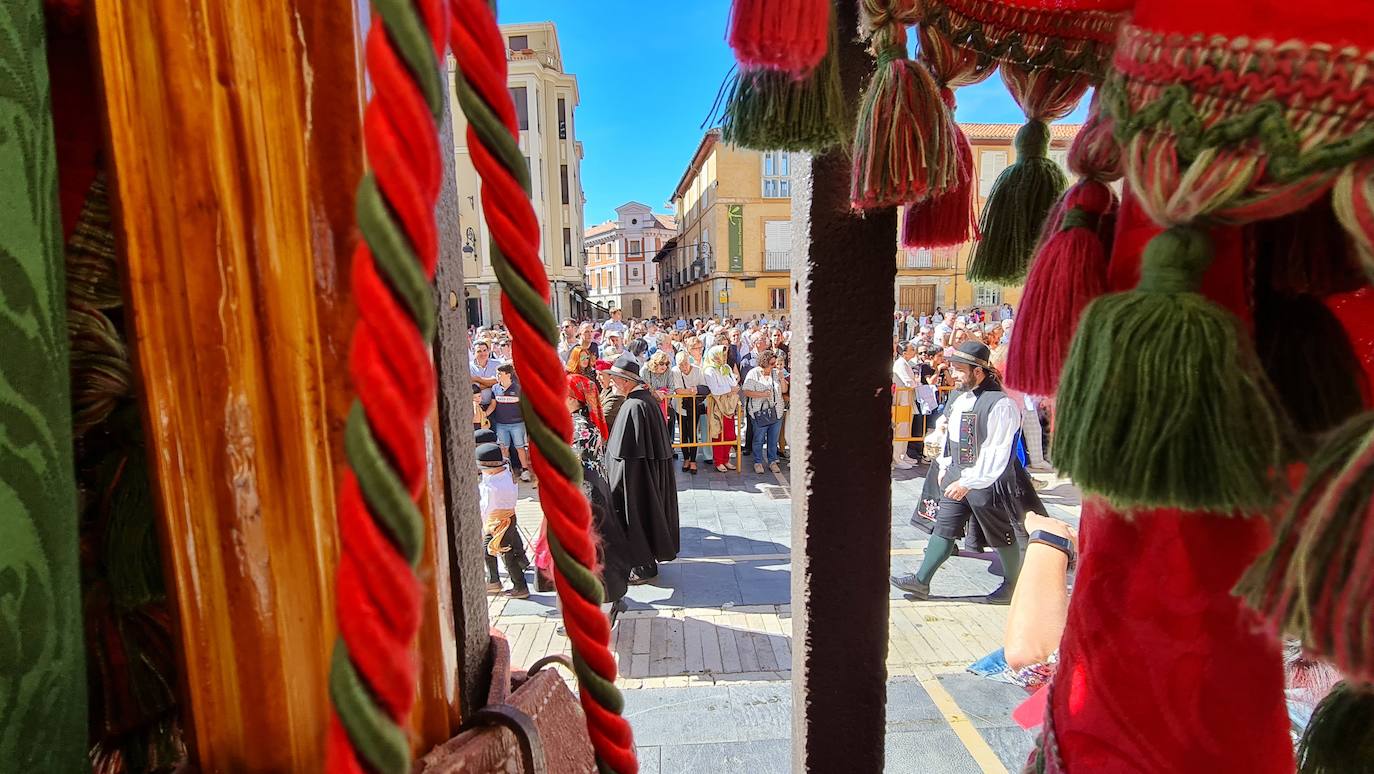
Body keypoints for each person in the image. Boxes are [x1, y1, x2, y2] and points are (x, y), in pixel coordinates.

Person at [891, 341, 1046, 604]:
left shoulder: (1001, 404)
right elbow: (953, 437)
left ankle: (1013, 586)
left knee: (999, 534)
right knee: (944, 527)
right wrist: (944, 465)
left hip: (986, 481)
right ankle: (921, 581)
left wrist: (971, 481)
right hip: (957, 476)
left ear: (979, 371)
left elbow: (996, 450)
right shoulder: (961, 399)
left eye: (961, 370)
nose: (955, 375)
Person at [603, 355, 680, 584]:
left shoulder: (634, 406)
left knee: (638, 519)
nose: (612, 383)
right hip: (643, 477)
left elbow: (627, 454)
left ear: (627, 381)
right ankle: (644, 564)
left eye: (615, 379)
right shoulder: (644, 401)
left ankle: (644, 567)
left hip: (635, 480)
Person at [477, 441, 529, 598]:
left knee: (506, 556)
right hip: (506, 519)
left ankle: (520, 587)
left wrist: (483, 523)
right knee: (490, 551)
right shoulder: (506, 470)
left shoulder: (494, 486)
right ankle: (494, 581)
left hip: (499, 523)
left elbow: (486, 507)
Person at [480, 364, 533, 482]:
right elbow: (493, 405)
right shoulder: (495, 388)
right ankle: (506, 471)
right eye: (497, 373)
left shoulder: (518, 389)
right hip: (501, 424)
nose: (497, 376)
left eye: (500, 374)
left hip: (517, 424)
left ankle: (525, 470)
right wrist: (483, 415)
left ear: (508, 375)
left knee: (520, 448)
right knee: (504, 448)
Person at [742, 350, 787, 474]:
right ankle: (758, 462)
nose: (774, 365)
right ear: (764, 362)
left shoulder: (776, 373)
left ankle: (772, 461)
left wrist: (782, 378)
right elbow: (745, 391)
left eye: (775, 363)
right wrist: (762, 394)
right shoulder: (753, 373)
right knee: (759, 439)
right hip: (759, 412)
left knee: (773, 439)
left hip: (777, 411)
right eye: (772, 363)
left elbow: (784, 390)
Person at [670, 350, 709, 475]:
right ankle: (686, 459)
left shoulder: (697, 370)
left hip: (694, 407)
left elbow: (704, 388)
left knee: (692, 433)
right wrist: (693, 390)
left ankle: (693, 460)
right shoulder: (675, 371)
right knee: (683, 434)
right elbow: (678, 390)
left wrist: (692, 390)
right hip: (680, 407)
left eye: (685, 364)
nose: (684, 367)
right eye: (681, 365)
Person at [703, 345, 741, 472]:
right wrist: (730, 390)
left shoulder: (726, 367)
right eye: (722, 354)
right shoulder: (709, 370)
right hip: (717, 406)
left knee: (730, 434)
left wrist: (731, 389)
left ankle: (726, 459)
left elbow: (733, 383)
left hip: (729, 405)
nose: (724, 357)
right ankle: (719, 461)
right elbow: (715, 390)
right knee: (718, 433)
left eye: (725, 355)